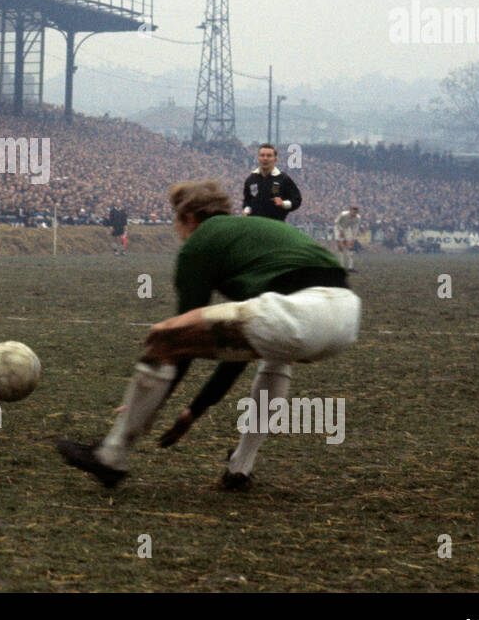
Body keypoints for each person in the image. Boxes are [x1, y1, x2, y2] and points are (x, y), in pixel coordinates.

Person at [57, 179, 360, 491]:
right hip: (345, 315)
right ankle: (240, 467)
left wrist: (152, 402)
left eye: (176, 220)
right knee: (275, 355)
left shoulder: (200, 242)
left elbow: (180, 345)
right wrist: (195, 409)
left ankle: (111, 455)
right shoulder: (250, 232)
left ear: (188, 217)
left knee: (164, 337)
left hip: (297, 313)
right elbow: (239, 348)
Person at [242, 144, 302, 221]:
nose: (265, 158)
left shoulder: (283, 179)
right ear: (258, 158)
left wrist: (284, 204)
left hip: (276, 225)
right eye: (262, 155)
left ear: (275, 159)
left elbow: (297, 199)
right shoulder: (251, 179)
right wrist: (246, 210)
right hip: (255, 226)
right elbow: (247, 201)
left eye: (269, 156)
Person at [334, 205, 360, 272]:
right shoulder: (343, 214)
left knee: (350, 247)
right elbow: (336, 222)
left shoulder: (357, 218)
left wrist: (353, 239)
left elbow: (355, 228)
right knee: (341, 247)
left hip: (347, 229)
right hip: (338, 228)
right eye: (353, 212)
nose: (354, 214)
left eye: (356, 212)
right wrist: (340, 230)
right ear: (350, 211)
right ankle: (341, 266)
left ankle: (350, 267)